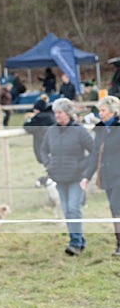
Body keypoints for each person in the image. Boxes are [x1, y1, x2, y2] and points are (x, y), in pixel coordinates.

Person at [40, 98, 93, 256]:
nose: (57, 116)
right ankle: (78, 240)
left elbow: (94, 151)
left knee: (73, 208)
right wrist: (48, 164)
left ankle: (75, 243)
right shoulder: (51, 131)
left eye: (60, 113)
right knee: (66, 210)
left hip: (76, 178)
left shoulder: (80, 131)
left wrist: (81, 167)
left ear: (68, 114)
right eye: (55, 113)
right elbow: (43, 150)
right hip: (59, 178)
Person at [82, 96, 120, 256]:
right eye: (100, 111)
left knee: (116, 206)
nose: (100, 114)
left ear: (113, 112)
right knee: (114, 209)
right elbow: (95, 155)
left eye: (103, 110)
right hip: (107, 176)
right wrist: (87, 176)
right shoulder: (101, 130)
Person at [23, 97, 56, 164]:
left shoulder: (39, 118)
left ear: (37, 110)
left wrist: (29, 120)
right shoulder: (52, 115)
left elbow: (28, 127)